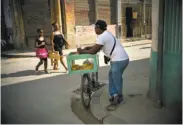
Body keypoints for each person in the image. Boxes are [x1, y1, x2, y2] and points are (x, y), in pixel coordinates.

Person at [77, 20, 129, 110]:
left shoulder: (102, 36)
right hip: (121, 59)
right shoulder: (106, 34)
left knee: (116, 79)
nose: (94, 29)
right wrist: (88, 48)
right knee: (112, 76)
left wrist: (81, 51)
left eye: (95, 27)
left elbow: (94, 51)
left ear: (98, 28)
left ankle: (118, 98)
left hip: (118, 60)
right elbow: (97, 46)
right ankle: (114, 94)